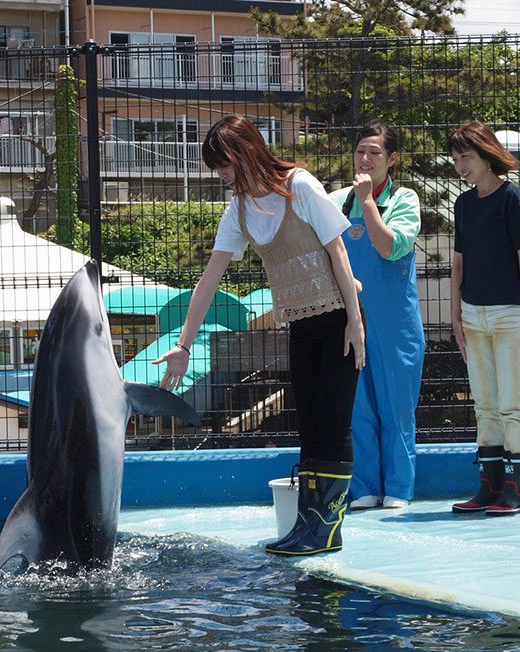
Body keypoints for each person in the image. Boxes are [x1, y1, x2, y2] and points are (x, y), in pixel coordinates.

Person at [154, 115, 366, 556]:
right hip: (301, 323)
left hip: (338, 316)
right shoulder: (240, 210)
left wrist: (356, 322)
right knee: (308, 422)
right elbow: (209, 279)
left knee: (333, 421)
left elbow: (338, 251)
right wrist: (182, 345)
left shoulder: (300, 185)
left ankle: (326, 528)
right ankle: (308, 523)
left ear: (245, 151)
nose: (221, 175)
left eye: (224, 164)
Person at [446, 121, 520, 516]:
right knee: (484, 403)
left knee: (512, 404)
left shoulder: (512, 197)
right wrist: (455, 315)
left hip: (509, 315)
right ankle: (488, 489)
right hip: (473, 314)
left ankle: (515, 492)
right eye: (455, 160)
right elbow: (459, 263)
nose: (460, 166)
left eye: (466, 157)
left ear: (486, 154)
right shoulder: (463, 203)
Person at [328, 122, 423, 511]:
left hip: (395, 324)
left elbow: (387, 248)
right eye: (360, 151)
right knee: (358, 406)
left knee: (396, 406)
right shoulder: (335, 201)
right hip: (351, 318)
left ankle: (398, 488)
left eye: (375, 153)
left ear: (392, 159)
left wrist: (368, 203)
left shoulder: (405, 200)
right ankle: (364, 487)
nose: (365, 159)